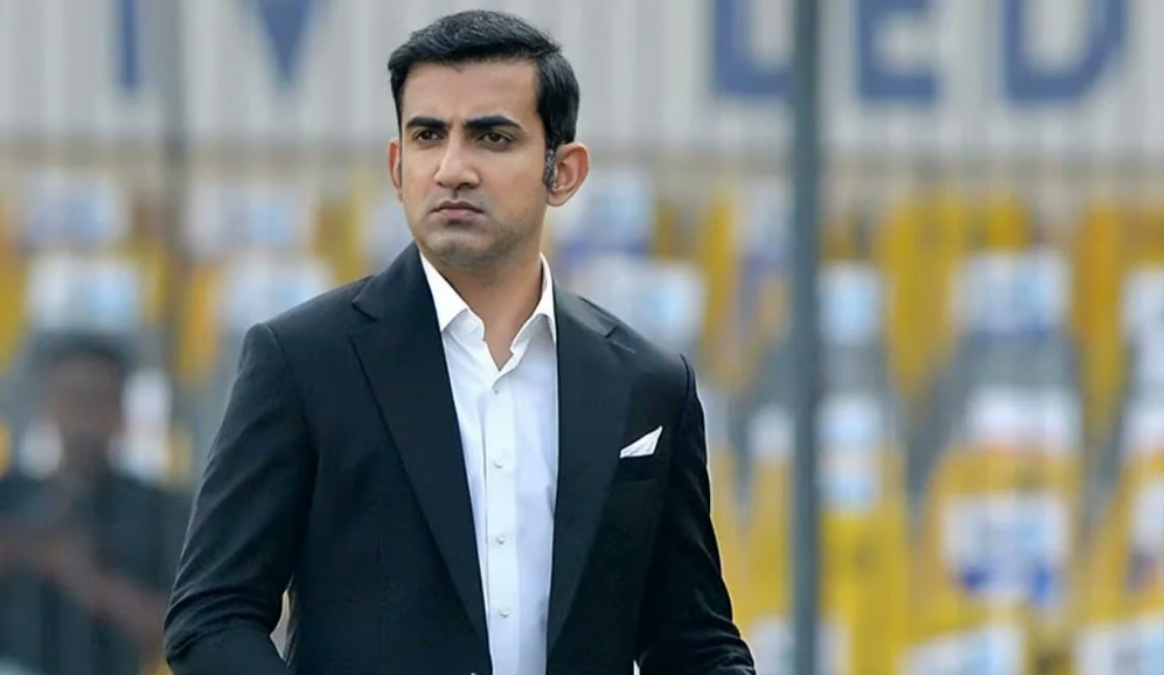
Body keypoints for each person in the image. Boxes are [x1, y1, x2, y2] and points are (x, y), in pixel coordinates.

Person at [163, 9, 755, 675]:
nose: (452, 169)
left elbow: (694, 642)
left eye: (492, 138)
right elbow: (211, 619)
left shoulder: (648, 385)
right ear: (397, 167)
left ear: (563, 172)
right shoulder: (302, 361)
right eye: (427, 136)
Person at [0, 334, 187, 675]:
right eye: (72, 400)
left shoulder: (157, 509)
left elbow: (181, 627)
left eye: (96, 401)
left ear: (120, 410)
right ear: (49, 404)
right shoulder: (10, 495)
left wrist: (87, 581)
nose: (83, 419)